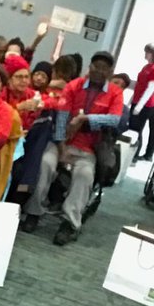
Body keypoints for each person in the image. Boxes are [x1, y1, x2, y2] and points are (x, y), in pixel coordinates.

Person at [19, 50, 123, 246]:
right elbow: (61, 118)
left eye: (104, 69)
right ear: (89, 68)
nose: (99, 71)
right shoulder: (74, 86)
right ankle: (33, 212)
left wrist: (88, 119)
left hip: (89, 149)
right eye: (96, 67)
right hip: (62, 143)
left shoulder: (115, 93)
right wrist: (62, 147)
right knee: (44, 164)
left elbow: (115, 118)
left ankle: (70, 223)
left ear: (110, 72)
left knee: (84, 176)